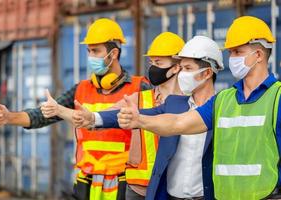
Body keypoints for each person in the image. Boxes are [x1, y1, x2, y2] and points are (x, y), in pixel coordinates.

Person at [118, 16, 281, 200]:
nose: (232, 58)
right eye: (231, 53)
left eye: (237, 52)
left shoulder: (277, 97)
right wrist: (139, 120)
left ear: (258, 55)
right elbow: (178, 122)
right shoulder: (223, 100)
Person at [0, 18, 151, 200]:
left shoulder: (140, 88)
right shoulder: (80, 89)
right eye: (89, 51)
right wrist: (10, 118)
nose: (90, 57)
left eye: (96, 51)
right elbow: (42, 115)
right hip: (87, 183)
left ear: (113, 54)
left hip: (123, 183)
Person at [41, 32, 185, 200]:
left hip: (177, 188)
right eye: (151, 62)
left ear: (176, 67)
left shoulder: (194, 103)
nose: (152, 67)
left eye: (158, 62)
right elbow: (106, 116)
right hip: (138, 188)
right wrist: (73, 113)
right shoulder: (139, 98)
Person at [95, 36, 223, 200]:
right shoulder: (174, 104)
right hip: (163, 194)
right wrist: (94, 118)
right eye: (182, 68)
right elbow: (132, 115)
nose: (182, 73)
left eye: (188, 68)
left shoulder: (222, 108)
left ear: (206, 73)